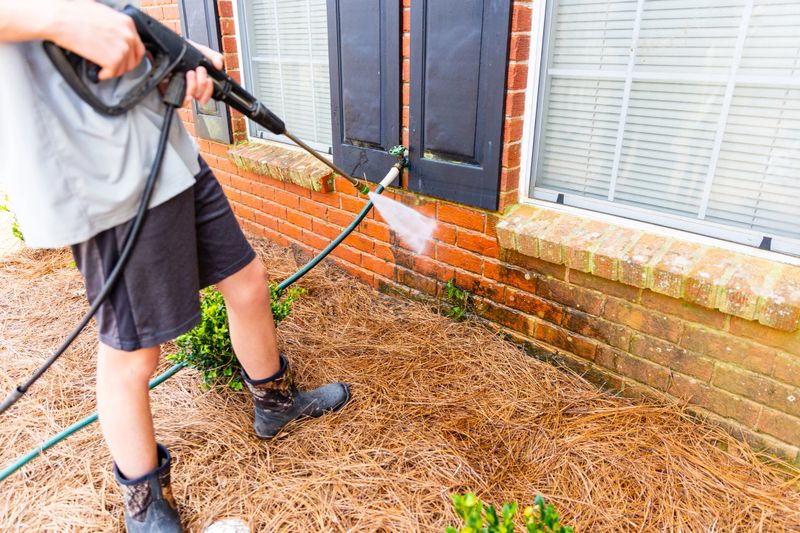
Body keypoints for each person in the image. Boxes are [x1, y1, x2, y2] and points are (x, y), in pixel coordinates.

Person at [0, 1, 351, 531]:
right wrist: (55, 18)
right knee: (135, 352)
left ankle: (274, 403)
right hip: (102, 176)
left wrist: (175, 52)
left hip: (169, 153)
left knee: (248, 282)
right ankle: (143, 500)